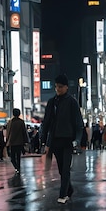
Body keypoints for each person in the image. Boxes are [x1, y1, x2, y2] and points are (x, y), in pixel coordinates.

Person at [41, 73, 83, 203]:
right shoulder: (51, 102)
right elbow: (46, 122)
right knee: (61, 169)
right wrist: (43, 140)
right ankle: (69, 189)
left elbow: (78, 123)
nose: (58, 89)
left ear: (66, 87)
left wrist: (77, 139)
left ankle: (62, 195)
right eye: (56, 87)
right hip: (55, 140)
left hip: (68, 140)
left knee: (65, 169)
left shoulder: (72, 102)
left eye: (60, 87)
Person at [6, 108, 28, 173]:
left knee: (12, 157)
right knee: (18, 156)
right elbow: (24, 132)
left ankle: (16, 167)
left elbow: (8, 132)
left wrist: (7, 140)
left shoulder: (10, 122)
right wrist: (26, 141)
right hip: (20, 142)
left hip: (12, 142)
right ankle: (18, 167)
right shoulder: (21, 122)